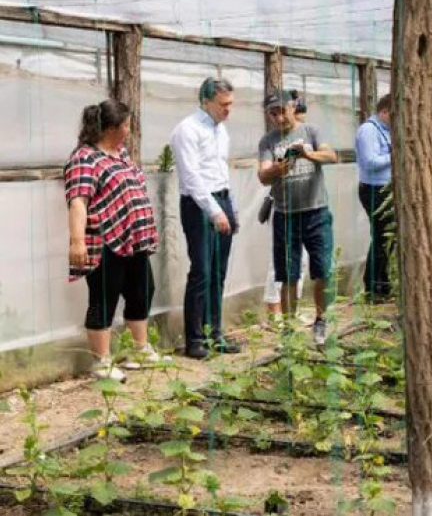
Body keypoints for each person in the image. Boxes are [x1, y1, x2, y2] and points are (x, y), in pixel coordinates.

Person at [64, 99, 167, 381]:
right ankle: (101, 362)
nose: (128, 129)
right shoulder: (85, 158)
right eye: (125, 125)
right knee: (103, 299)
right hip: (105, 240)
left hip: (132, 239)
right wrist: (77, 241)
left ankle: (139, 350)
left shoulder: (120, 154)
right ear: (111, 128)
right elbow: (78, 201)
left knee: (143, 290)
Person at [258, 90, 338, 345]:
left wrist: (307, 154)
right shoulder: (268, 142)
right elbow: (262, 175)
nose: (278, 117)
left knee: (322, 269)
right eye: (273, 113)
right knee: (288, 274)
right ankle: (289, 329)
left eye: (282, 110)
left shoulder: (311, 132)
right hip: (286, 215)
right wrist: (277, 169)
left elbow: (332, 156)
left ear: (293, 107)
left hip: (316, 211)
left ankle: (321, 321)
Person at [171, 77, 241, 359]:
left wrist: (230, 208)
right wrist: (214, 210)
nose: (228, 110)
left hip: (221, 199)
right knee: (202, 270)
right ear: (206, 102)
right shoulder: (187, 130)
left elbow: (221, 171)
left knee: (218, 272)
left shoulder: (220, 131)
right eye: (223, 105)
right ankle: (195, 338)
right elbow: (192, 177)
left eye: (231, 104)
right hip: (199, 204)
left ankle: (215, 333)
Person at [263, 96, 309, 325]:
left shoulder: (305, 138)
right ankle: (274, 311)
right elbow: (271, 173)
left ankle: (292, 309)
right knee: (280, 260)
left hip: (305, 206)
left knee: (301, 260)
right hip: (284, 206)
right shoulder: (274, 142)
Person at [355, 94, 393, 301]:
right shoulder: (368, 131)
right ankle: (372, 287)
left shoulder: (387, 131)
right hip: (373, 190)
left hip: (385, 189)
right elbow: (370, 161)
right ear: (384, 111)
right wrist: (396, 155)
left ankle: (383, 283)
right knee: (380, 237)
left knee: (387, 238)